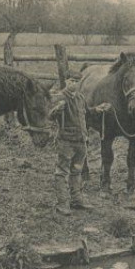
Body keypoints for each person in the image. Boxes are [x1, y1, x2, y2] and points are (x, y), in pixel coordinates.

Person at [49, 73, 90, 216]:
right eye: (72, 81)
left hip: (80, 140)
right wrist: (55, 111)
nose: (74, 84)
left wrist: (100, 109)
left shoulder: (80, 98)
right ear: (66, 81)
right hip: (66, 141)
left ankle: (77, 200)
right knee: (62, 172)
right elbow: (49, 116)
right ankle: (62, 204)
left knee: (77, 170)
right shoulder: (59, 97)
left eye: (77, 81)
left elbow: (87, 114)